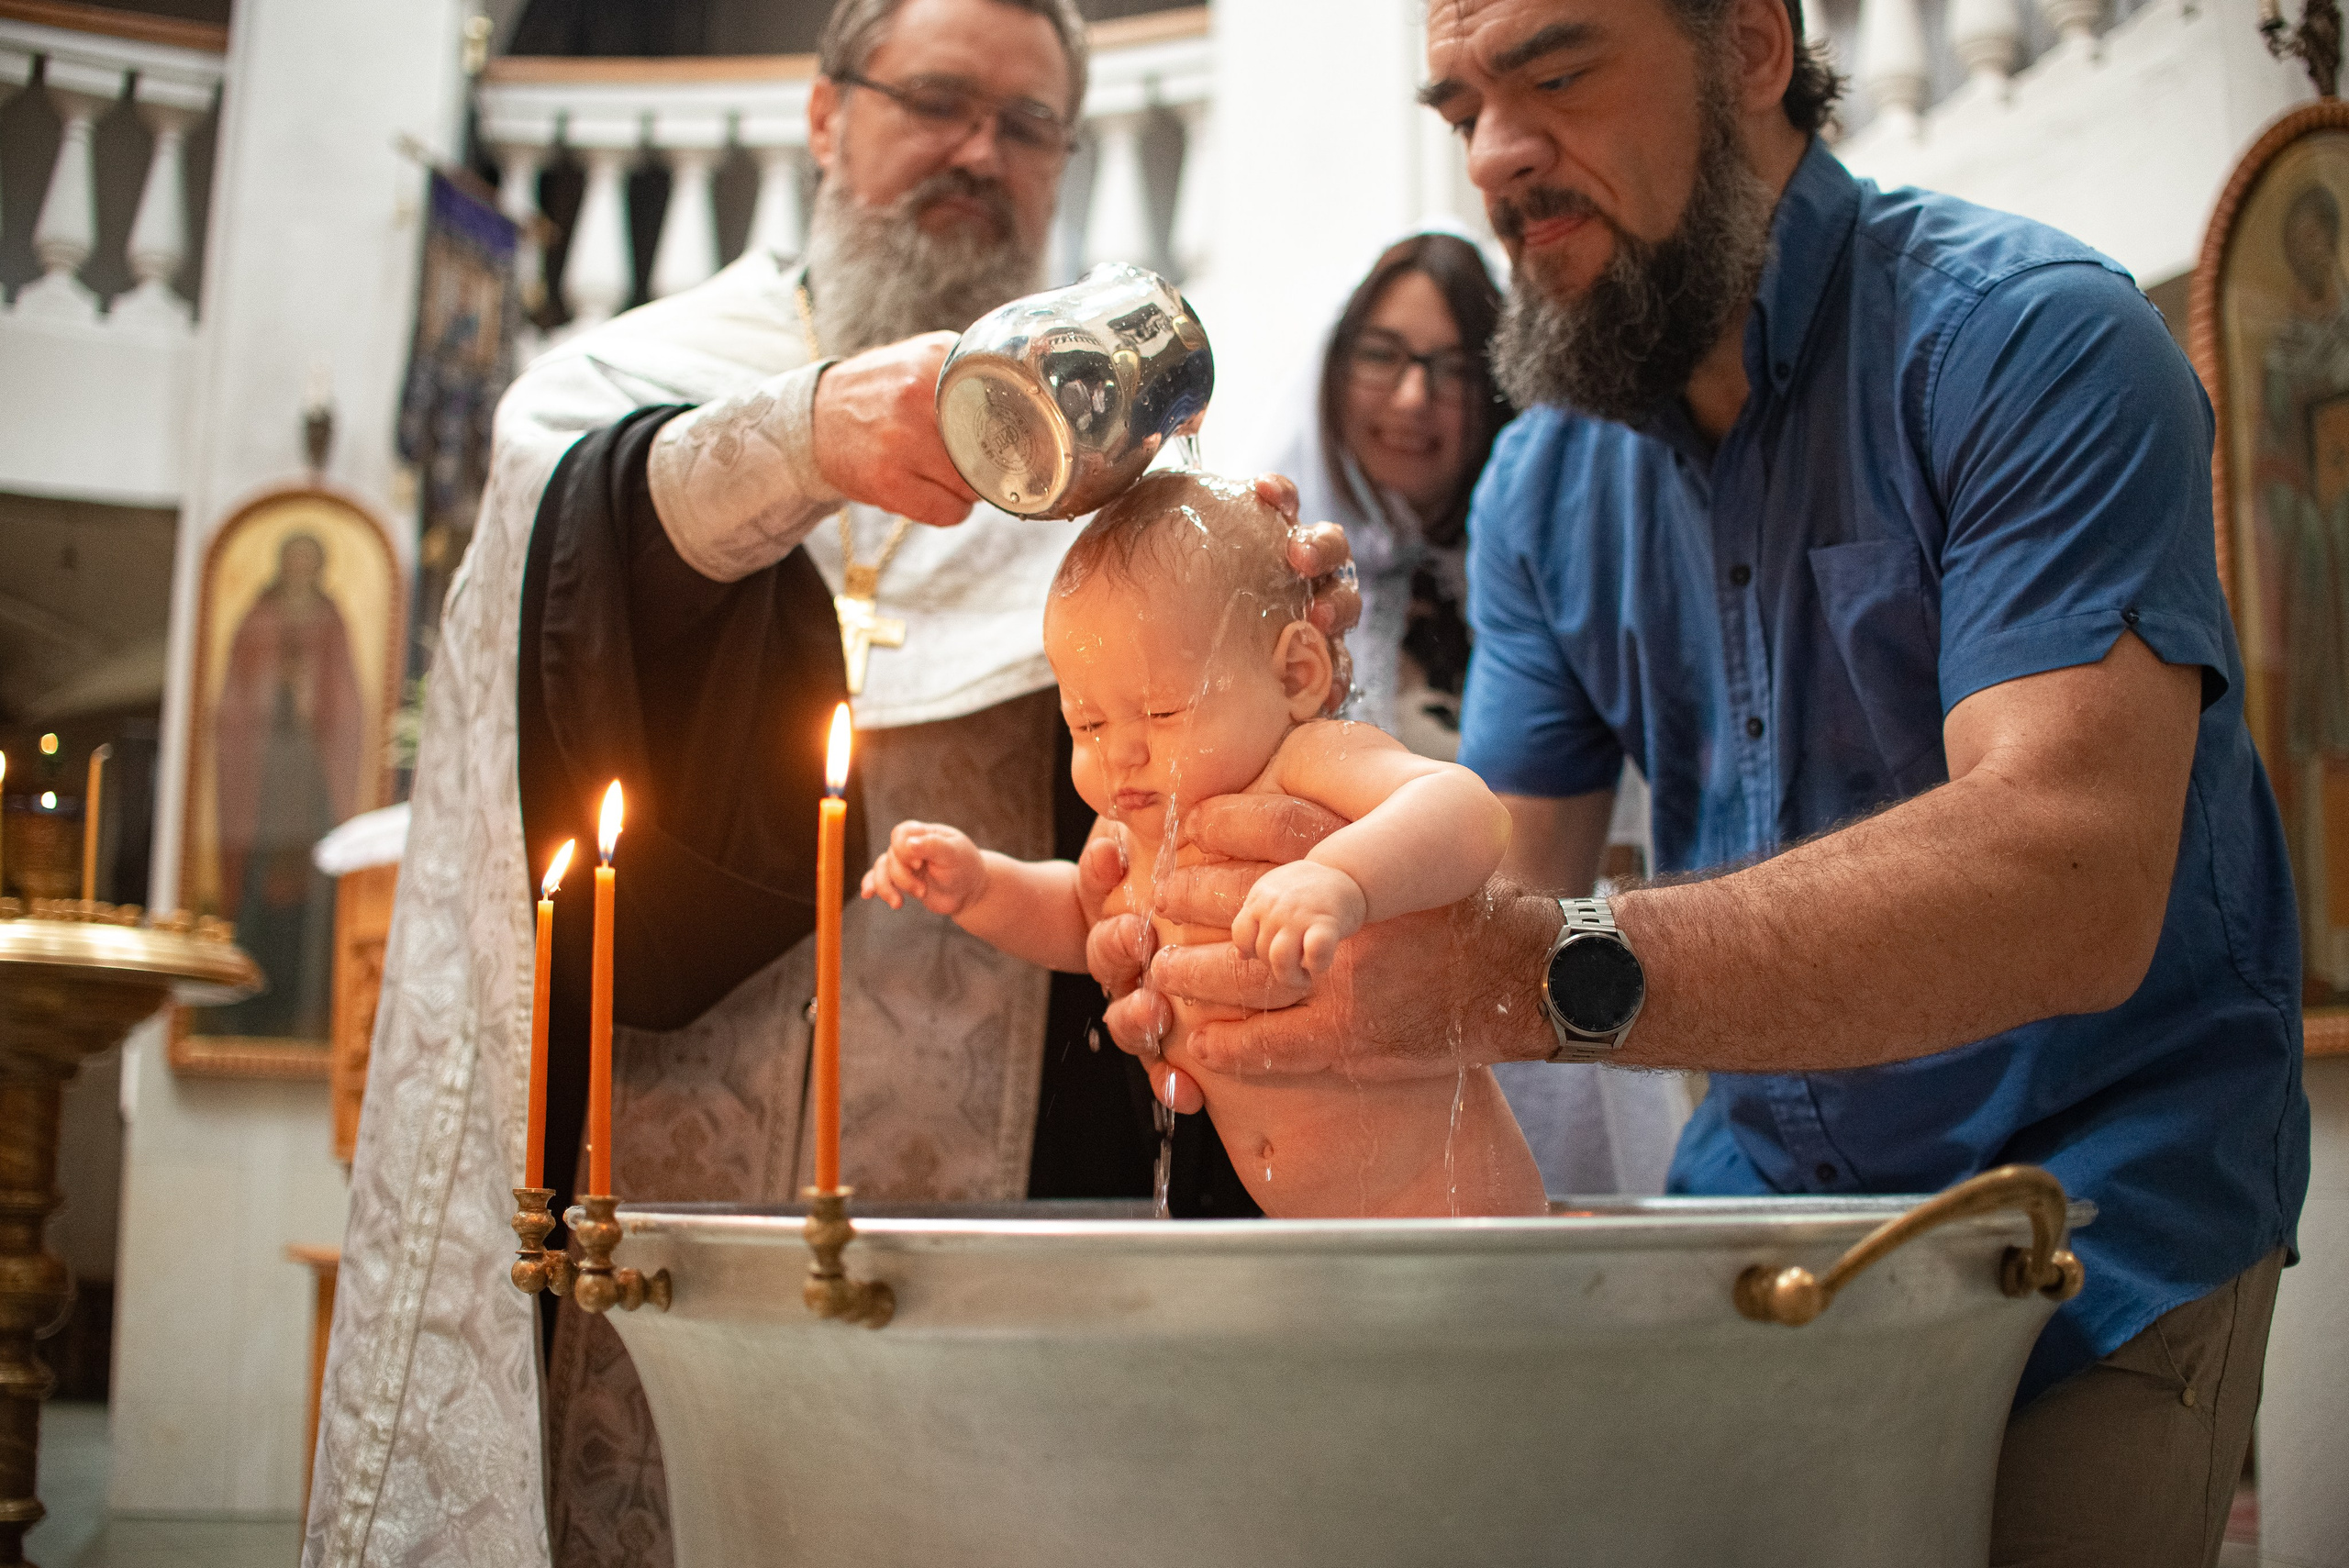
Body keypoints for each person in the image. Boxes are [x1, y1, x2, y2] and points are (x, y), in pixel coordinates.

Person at [1093, 2, 2310, 1563]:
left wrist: (1532, 973)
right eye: (1461, 106)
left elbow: (2064, 875)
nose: (1498, 155)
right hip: (1756, 1206)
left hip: (2086, 1214)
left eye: (1556, 72)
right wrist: (1258, 762)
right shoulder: (1546, 478)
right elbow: (1484, 873)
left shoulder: (2034, 340)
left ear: (1746, 46)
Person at [305, 2, 1358, 1563]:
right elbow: (552, 574)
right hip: (657, 1157)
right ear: (821, 115)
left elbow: (1209, 755)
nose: (977, 153)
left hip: (987, 1172)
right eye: (937, 100)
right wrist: (802, 437)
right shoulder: (631, 374)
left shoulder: (1125, 467)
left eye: (1026, 124)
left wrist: (1274, 615)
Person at [863, 472, 1542, 1217]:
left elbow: (1466, 810)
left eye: (1160, 711)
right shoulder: (1131, 821)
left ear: (1296, 673)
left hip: (1443, 1203)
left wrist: (1342, 880)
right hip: (1295, 1232)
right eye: (1087, 725)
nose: (1119, 753)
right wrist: (985, 888)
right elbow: (1081, 923)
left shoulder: (1306, 761)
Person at [1253, 232, 1509, 751]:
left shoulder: (1529, 580)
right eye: (1380, 355)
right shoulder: (1265, 582)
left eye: (1456, 368)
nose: (1413, 397)